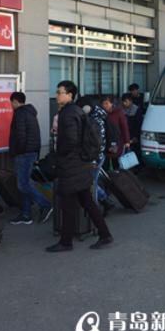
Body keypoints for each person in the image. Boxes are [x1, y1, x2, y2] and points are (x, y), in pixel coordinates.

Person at [46, 81, 113, 252]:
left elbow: (71, 140)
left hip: (71, 165)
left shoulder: (67, 114)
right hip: (81, 164)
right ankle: (104, 234)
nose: (57, 95)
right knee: (87, 202)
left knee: (69, 204)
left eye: (60, 92)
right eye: (57, 92)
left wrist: (59, 155)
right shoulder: (77, 110)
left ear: (70, 95)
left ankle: (66, 242)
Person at [8, 92, 52, 225]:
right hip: (31, 152)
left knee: (23, 184)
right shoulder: (30, 113)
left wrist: (18, 151)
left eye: (11, 103)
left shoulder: (20, 114)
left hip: (24, 154)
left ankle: (45, 204)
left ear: (15, 101)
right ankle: (26, 214)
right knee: (25, 183)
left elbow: (20, 136)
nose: (11, 105)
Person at [76, 96, 115, 215]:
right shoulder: (98, 115)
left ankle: (97, 210)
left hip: (94, 157)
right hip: (96, 155)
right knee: (91, 182)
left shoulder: (95, 120)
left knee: (91, 183)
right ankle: (105, 201)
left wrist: (92, 159)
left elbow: (97, 142)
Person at [101, 95, 131, 167]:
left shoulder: (118, 112)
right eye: (103, 104)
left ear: (111, 103)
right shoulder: (101, 113)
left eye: (107, 103)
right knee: (105, 163)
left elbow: (124, 127)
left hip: (116, 141)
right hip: (105, 141)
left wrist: (127, 141)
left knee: (115, 160)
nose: (105, 105)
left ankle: (117, 173)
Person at [121, 93, 144, 160]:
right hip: (125, 136)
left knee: (135, 155)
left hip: (134, 135)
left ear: (130, 101)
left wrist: (135, 137)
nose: (124, 103)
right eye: (123, 102)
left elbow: (139, 124)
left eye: (126, 101)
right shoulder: (121, 110)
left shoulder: (136, 110)